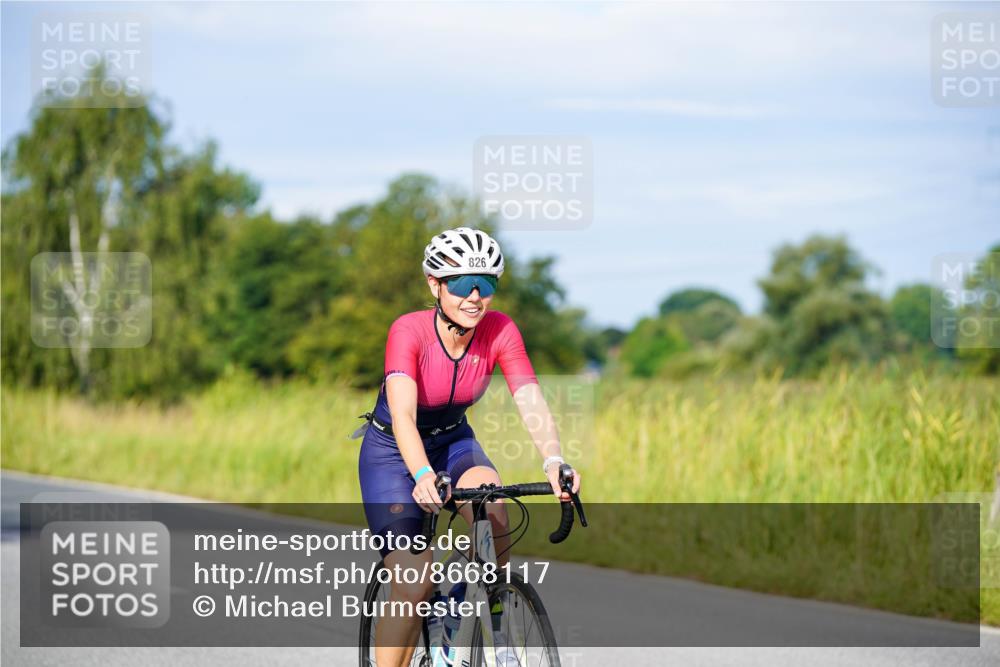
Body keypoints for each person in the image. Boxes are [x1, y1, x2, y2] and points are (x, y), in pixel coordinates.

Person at [357, 227, 581, 667]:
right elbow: (403, 414)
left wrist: (554, 459)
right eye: (461, 283)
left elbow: (528, 396)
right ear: (435, 285)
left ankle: (470, 605)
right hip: (394, 454)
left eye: (488, 284)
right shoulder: (409, 331)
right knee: (412, 585)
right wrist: (421, 475)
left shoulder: (499, 330)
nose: (475, 296)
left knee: (495, 511)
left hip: (455, 441)